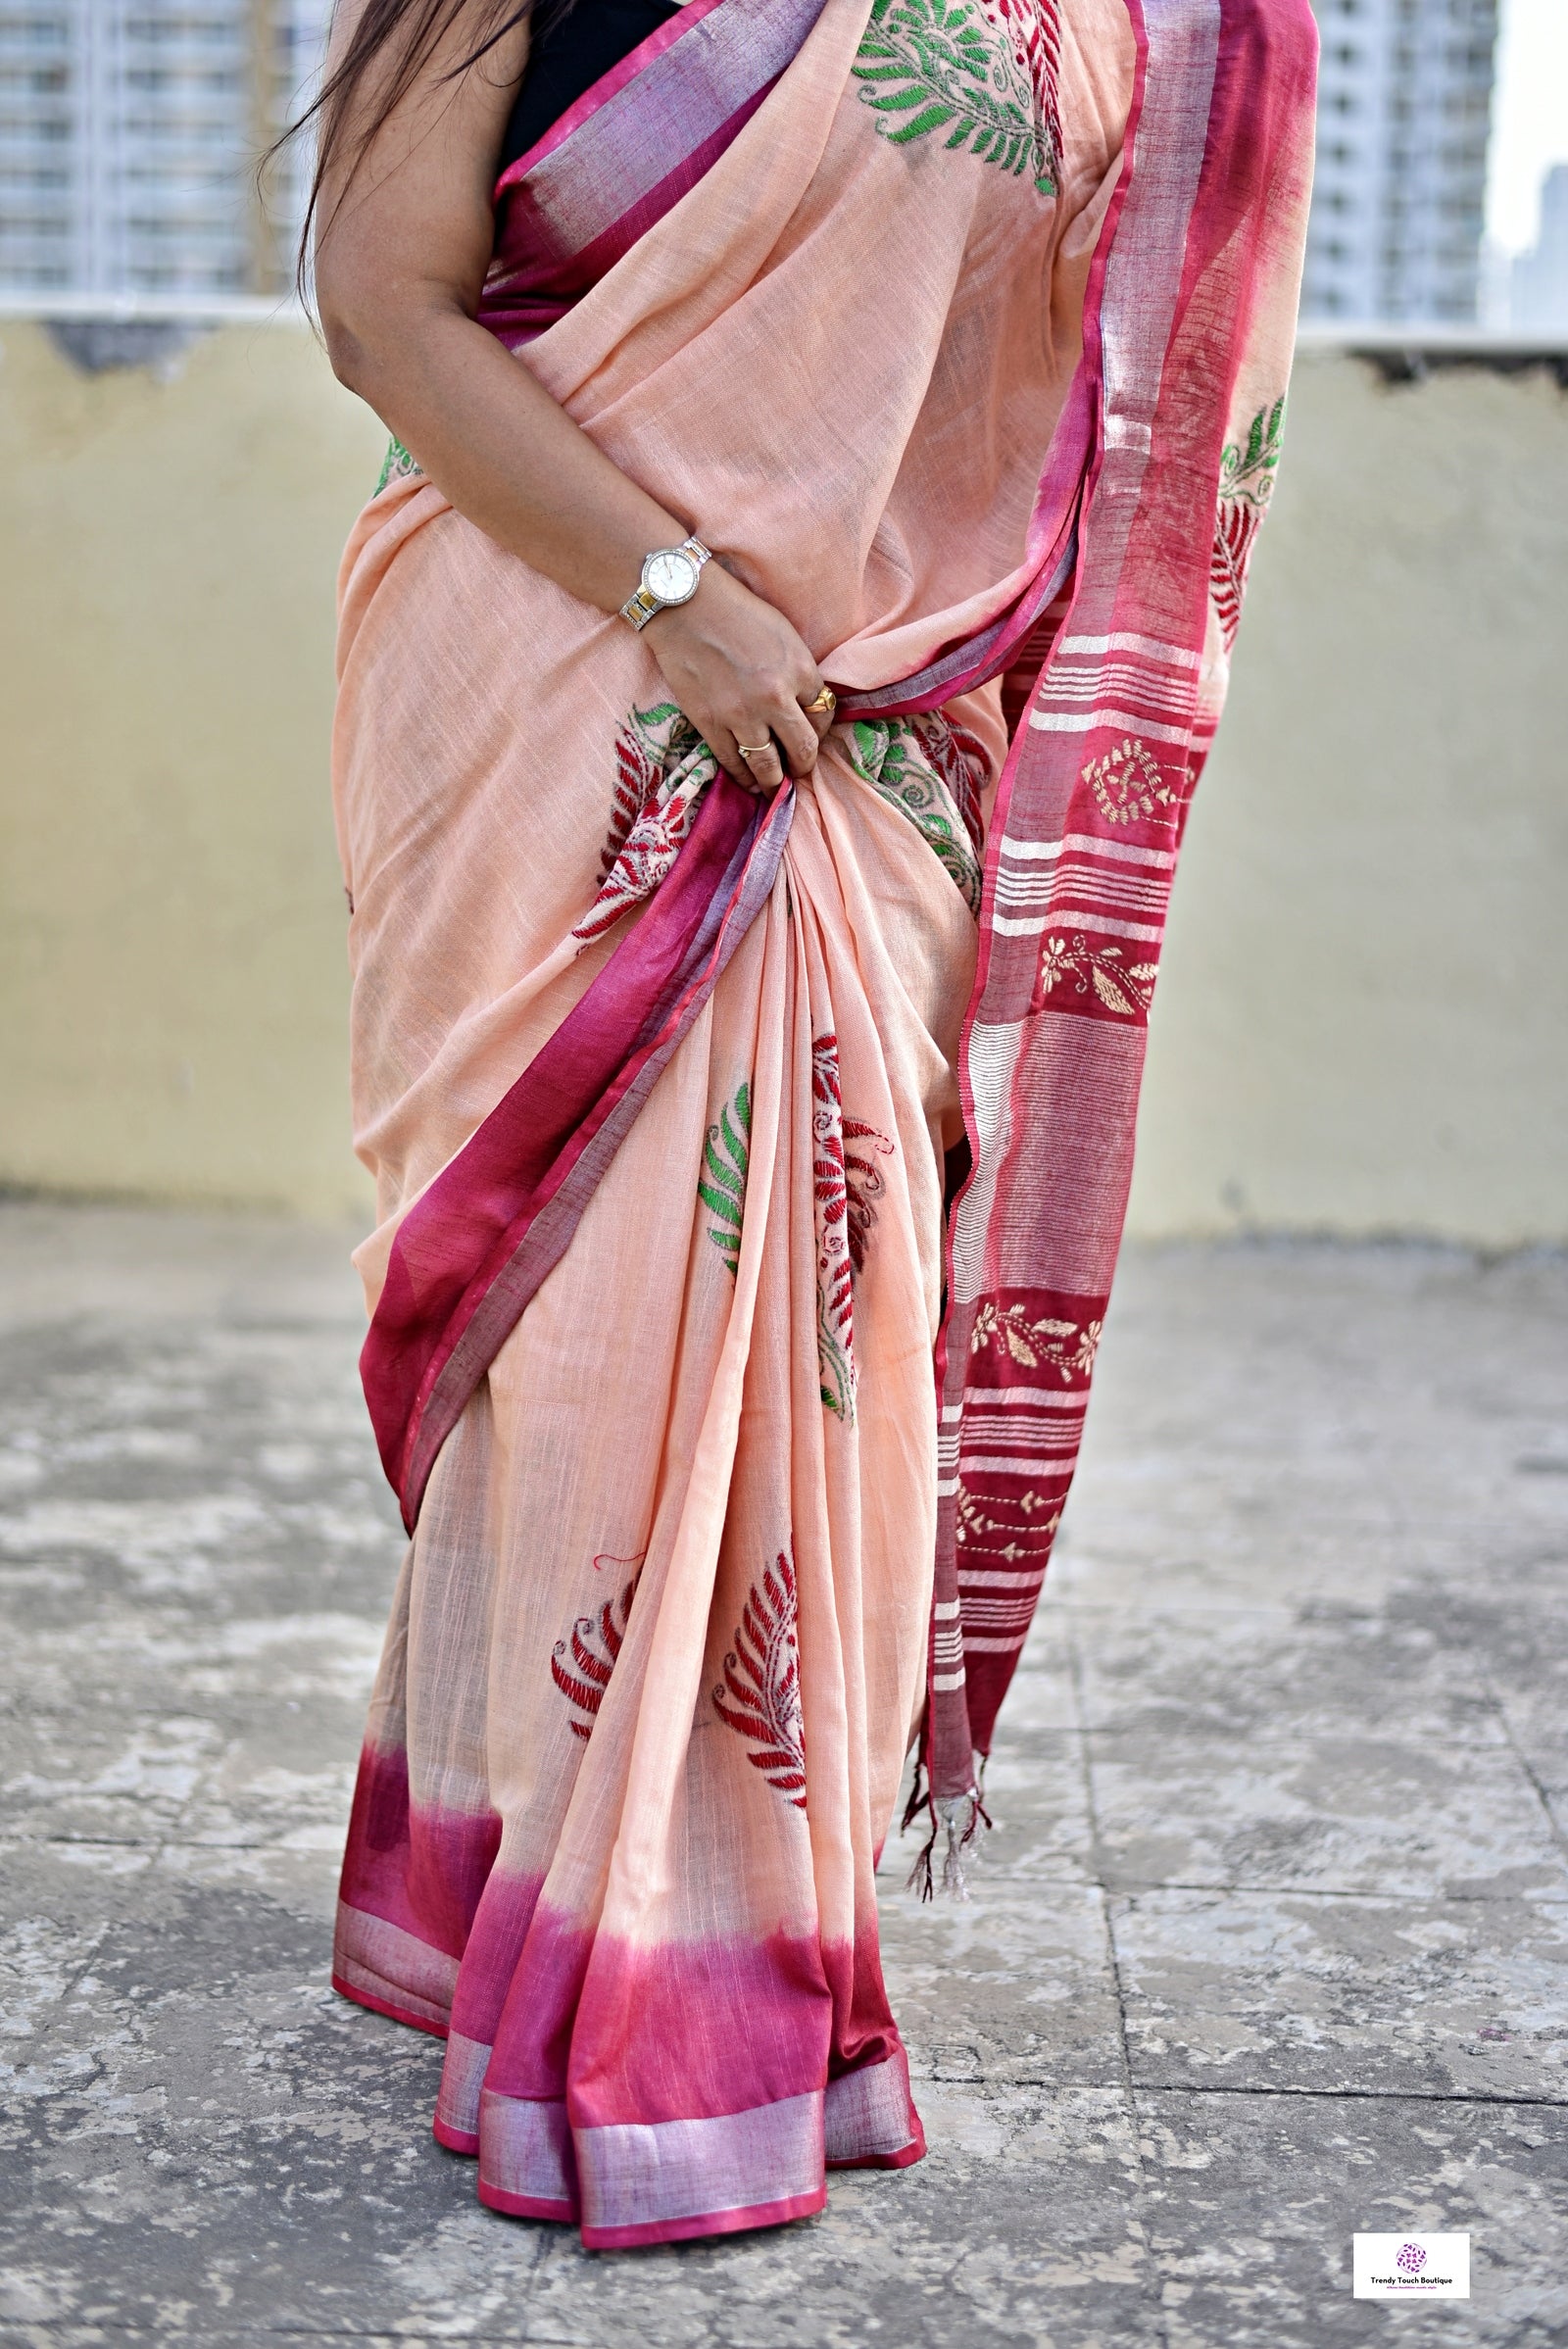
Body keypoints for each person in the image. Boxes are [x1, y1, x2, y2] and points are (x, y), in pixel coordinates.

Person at [297, 0, 1315, 2250]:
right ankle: (574, 1920)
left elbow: (1094, 389)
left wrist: (822, 636)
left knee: (812, 1305)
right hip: (556, 682)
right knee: (581, 1326)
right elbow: (380, 299)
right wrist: (676, 601)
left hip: (863, 715)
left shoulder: (1112, 26)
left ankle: (698, 1941)